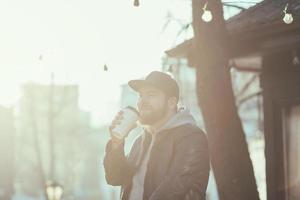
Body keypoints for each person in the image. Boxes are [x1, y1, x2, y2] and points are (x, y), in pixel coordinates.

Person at [103, 71, 210, 200]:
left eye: (151, 95)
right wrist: (116, 144)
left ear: (171, 102)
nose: (142, 102)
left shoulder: (191, 138)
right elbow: (115, 178)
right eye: (141, 96)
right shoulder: (140, 142)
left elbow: (172, 192)